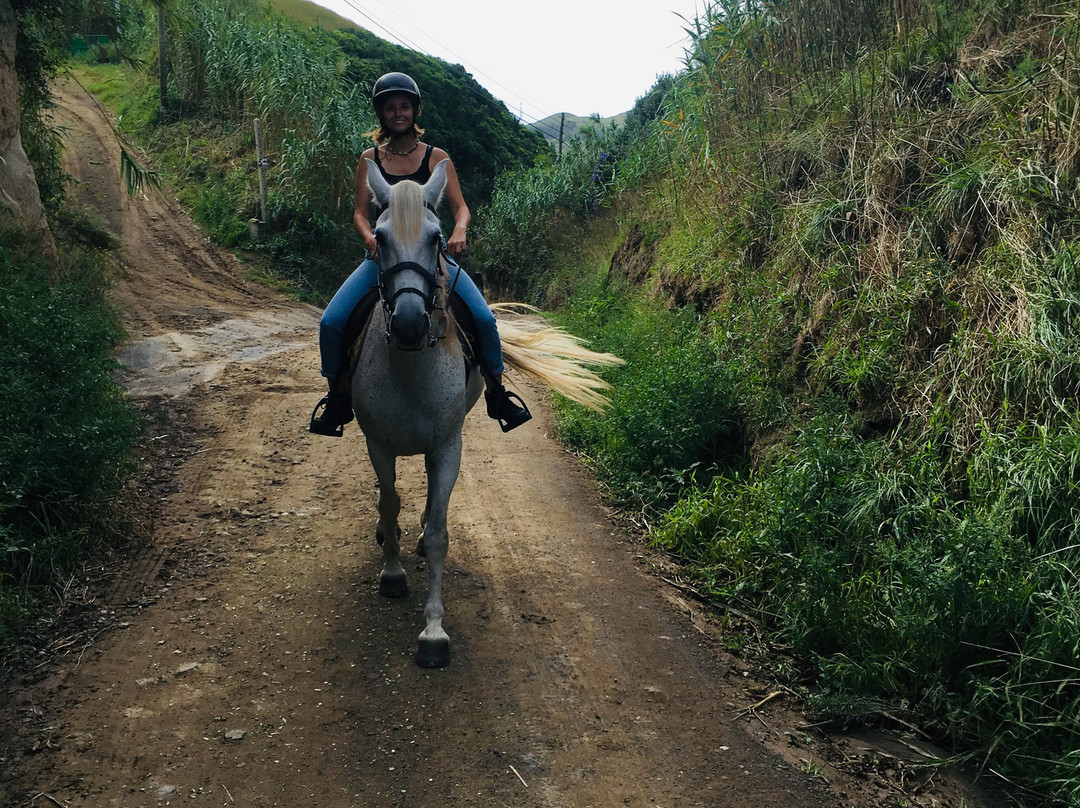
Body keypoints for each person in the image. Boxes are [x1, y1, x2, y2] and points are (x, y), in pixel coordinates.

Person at [309, 72, 532, 437]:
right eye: (390, 107)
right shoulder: (370, 159)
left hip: (433, 258)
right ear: (381, 114)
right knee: (331, 323)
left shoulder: (436, 157)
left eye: (404, 106)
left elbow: (461, 208)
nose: (398, 113)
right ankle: (337, 399)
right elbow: (360, 214)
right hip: (382, 257)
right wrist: (369, 239)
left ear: (415, 110)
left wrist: (459, 230)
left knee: (483, 319)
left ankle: (497, 393)